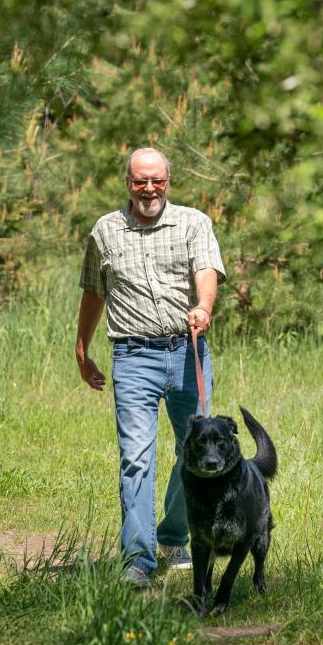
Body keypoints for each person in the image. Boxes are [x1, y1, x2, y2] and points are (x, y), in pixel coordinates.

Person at [75, 147, 226, 587]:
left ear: (168, 181)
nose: (149, 188)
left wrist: (203, 306)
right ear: (128, 182)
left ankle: (176, 536)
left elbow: (206, 271)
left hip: (187, 351)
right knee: (136, 458)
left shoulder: (193, 222)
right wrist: (81, 350)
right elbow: (93, 292)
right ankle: (138, 561)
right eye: (140, 180)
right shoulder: (105, 231)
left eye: (156, 180)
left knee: (196, 449)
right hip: (133, 355)